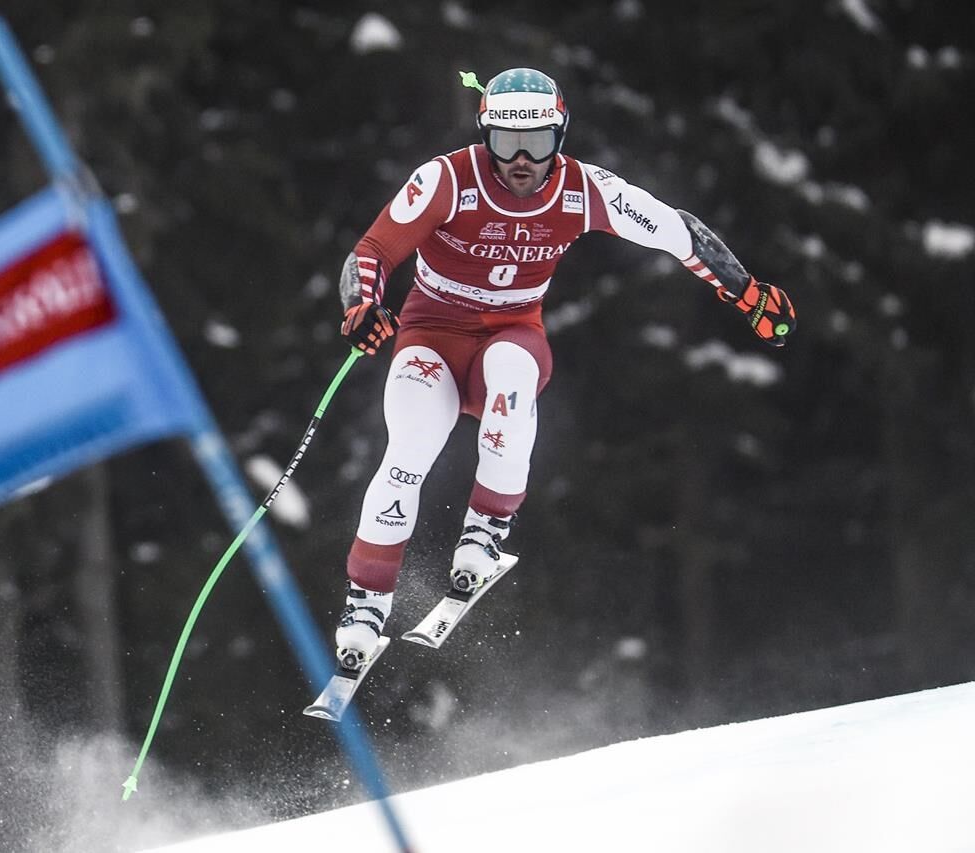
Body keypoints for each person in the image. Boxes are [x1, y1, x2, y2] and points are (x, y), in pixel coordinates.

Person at [331, 67, 796, 671]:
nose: (521, 160)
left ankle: (484, 531)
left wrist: (746, 291)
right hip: (432, 338)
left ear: (561, 134)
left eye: (538, 142)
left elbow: (677, 231)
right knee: (410, 447)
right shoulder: (447, 179)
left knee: (511, 375)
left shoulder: (583, 189)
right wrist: (361, 304)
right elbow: (372, 251)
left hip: (512, 333)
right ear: (484, 134)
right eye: (504, 143)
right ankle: (366, 600)